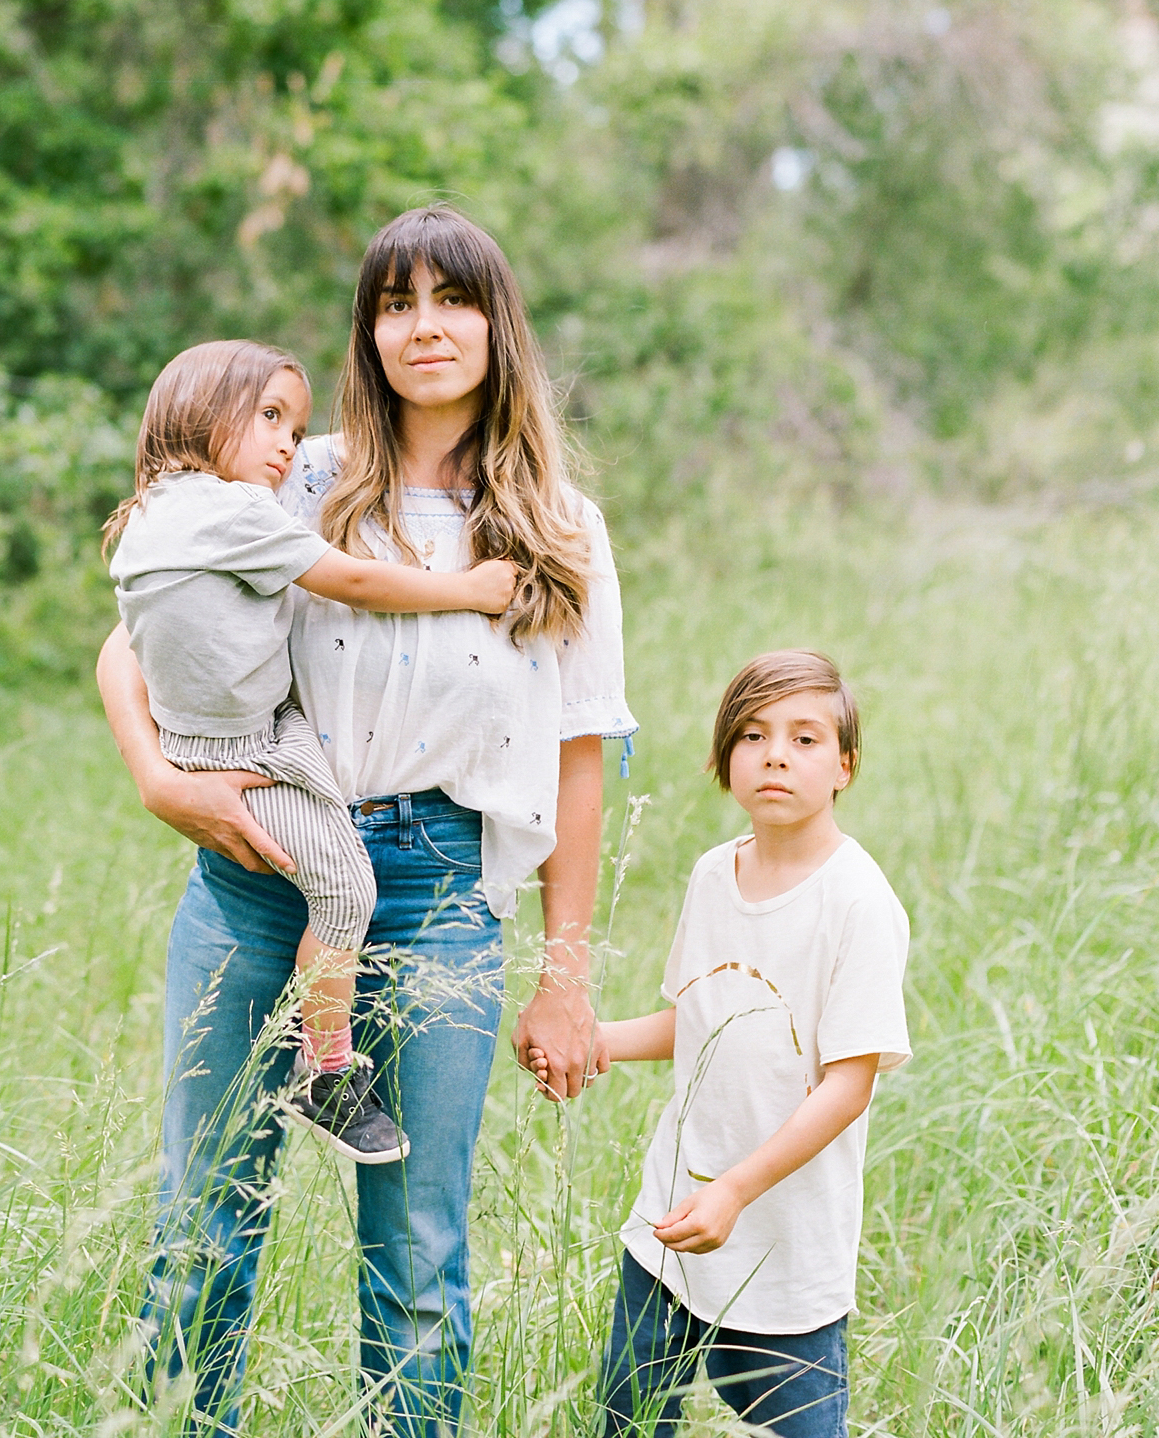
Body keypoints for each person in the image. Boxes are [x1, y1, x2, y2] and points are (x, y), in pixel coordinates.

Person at [96, 203, 637, 1437]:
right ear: (368, 330)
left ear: (497, 325)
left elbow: (580, 751)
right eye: (396, 302)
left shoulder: (560, 525)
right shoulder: (304, 473)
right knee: (203, 1222)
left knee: (422, 1257)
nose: (424, 326)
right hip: (260, 872)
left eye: (451, 299)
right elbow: (127, 649)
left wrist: (565, 972)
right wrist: (160, 779)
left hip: (444, 894)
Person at [104, 335, 519, 1163]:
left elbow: (134, 644)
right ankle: (322, 1066)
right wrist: (467, 589)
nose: (289, 444)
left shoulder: (147, 516)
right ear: (199, 414)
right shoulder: (234, 509)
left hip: (240, 732)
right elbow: (353, 580)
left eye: (295, 424)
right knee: (342, 886)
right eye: (268, 417)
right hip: (251, 749)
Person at [588, 649, 910, 1438]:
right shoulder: (711, 875)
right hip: (672, 1219)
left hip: (783, 1241)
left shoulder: (859, 901)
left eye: (805, 738)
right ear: (724, 756)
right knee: (625, 1418)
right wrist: (597, 1041)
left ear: (845, 765)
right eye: (754, 734)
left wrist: (736, 1189)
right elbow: (701, 1022)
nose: (775, 754)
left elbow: (848, 1084)